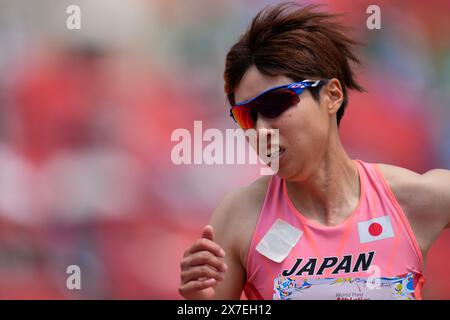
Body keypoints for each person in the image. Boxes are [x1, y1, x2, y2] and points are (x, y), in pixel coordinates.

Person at [178, 2, 450, 300]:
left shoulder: (415, 199)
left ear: (332, 95)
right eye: (247, 117)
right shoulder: (240, 217)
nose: (261, 131)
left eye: (275, 104)